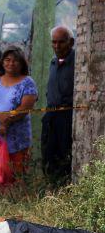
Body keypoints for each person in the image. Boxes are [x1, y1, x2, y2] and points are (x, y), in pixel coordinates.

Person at [0, 46, 38, 195]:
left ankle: (14, 212)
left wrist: (6, 122)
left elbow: (25, 108)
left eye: (15, 60)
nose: (11, 63)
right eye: (7, 60)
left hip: (17, 142)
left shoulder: (27, 82)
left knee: (15, 180)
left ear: (22, 63)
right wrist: (0, 117)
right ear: (2, 62)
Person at [42, 26, 75, 186]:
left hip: (67, 117)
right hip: (51, 117)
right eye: (54, 42)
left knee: (65, 156)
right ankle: (51, 189)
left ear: (71, 42)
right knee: (49, 156)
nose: (57, 46)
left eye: (61, 42)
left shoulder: (77, 61)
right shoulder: (53, 62)